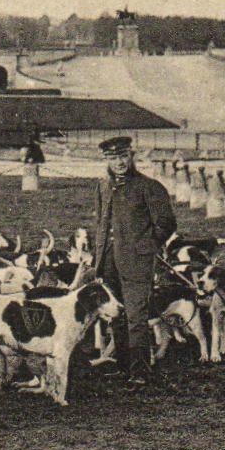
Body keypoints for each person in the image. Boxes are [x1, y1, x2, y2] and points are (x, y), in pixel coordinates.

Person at [94, 135, 176, 389]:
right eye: (112, 158)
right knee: (116, 315)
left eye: (123, 156)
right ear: (105, 160)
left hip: (136, 263)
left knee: (136, 317)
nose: (119, 162)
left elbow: (166, 223)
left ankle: (140, 372)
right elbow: (102, 222)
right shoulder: (103, 186)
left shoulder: (148, 186)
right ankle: (122, 367)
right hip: (108, 262)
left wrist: (146, 247)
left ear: (131, 157)